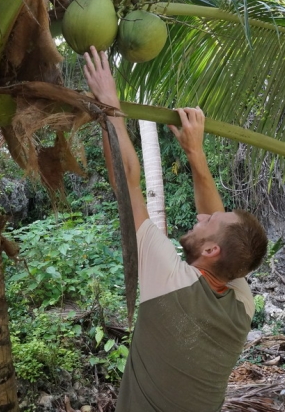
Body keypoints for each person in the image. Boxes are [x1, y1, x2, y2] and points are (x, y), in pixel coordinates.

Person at [83, 46, 268, 411]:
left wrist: (109, 105)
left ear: (212, 251)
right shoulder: (241, 305)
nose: (202, 215)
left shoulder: (172, 279)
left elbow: (128, 185)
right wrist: (194, 152)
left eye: (209, 222)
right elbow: (223, 229)